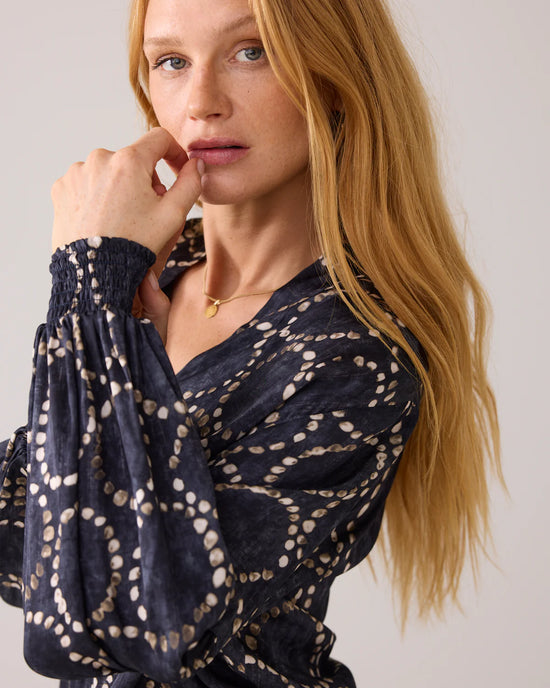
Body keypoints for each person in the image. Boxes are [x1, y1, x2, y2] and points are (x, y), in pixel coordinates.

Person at [0, 0, 502, 686]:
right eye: (172, 61)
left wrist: (86, 284)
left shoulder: (356, 351)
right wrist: (105, 309)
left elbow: (132, 622)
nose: (201, 102)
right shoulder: (148, 277)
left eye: (251, 52)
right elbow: (16, 535)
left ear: (335, 79)